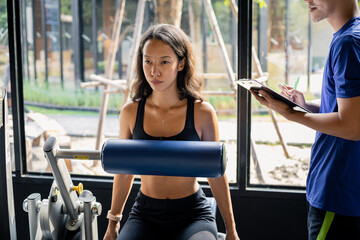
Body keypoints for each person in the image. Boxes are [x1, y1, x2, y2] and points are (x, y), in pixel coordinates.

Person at [103, 24, 239, 240]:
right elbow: (124, 171)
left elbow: (217, 174)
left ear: (181, 63)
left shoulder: (203, 112)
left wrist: (231, 230)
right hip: (145, 213)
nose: (154, 71)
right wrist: (113, 222)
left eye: (164, 62)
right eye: (148, 61)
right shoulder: (130, 112)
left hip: (192, 214)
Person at [251, 0, 360, 239]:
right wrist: (305, 105)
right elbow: (349, 110)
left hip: (337, 194)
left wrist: (292, 114)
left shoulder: (348, 43)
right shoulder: (350, 36)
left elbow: (353, 126)